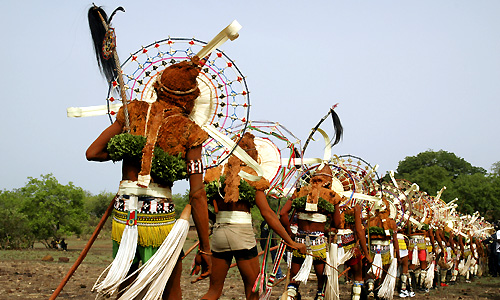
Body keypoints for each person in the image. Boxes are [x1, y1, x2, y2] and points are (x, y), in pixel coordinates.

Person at [86, 57, 212, 299]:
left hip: (124, 218)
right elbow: (197, 194)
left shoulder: (132, 113)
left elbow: (93, 152)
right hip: (159, 222)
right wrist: (205, 250)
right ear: (191, 99)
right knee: (170, 289)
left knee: (127, 288)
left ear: (157, 87)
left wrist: (131, 148)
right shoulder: (190, 130)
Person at [200, 132, 305, 300]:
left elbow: (202, 207)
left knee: (213, 291)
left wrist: (205, 238)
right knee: (252, 291)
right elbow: (267, 214)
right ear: (252, 153)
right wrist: (290, 241)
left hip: (219, 235)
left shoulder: (217, 174)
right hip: (242, 235)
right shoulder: (252, 176)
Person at [279, 164, 342, 300]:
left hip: (299, 239)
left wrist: (289, 233)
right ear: (329, 181)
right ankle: (320, 294)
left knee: (294, 277)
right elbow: (337, 224)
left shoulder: (299, 192)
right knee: (321, 276)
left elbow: (283, 213)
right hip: (318, 242)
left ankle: (290, 295)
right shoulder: (331, 196)